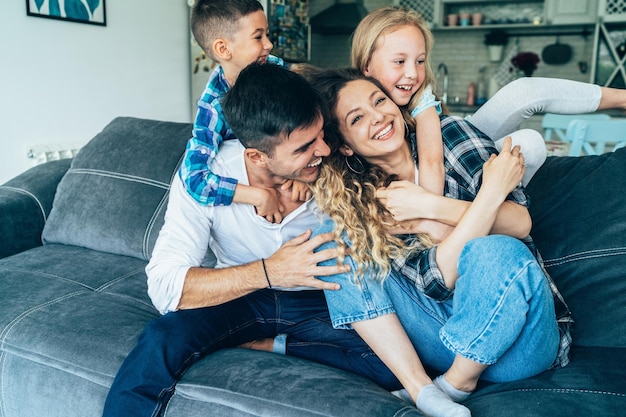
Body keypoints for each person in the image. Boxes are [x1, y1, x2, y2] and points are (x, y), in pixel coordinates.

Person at [101, 64, 400, 417]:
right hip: (241, 295)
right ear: (257, 156)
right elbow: (166, 286)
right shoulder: (207, 178)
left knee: (393, 363)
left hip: (319, 300)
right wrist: (269, 272)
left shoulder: (334, 162)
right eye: (305, 147)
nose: (322, 149)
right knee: (160, 341)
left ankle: (272, 345)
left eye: (322, 134)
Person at [306, 68, 574, 417]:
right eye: (358, 118)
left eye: (380, 101)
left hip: (521, 346)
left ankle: (455, 384)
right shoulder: (363, 197)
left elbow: (520, 224)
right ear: (344, 144)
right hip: (439, 334)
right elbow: (436, 280)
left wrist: (431, 209)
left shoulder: (452, 136)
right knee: (329, 237)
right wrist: (489, 195)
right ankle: (421, 388)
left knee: (499, 248)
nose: (379, 118)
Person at [351, 6, 626, 189]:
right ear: (366, 65)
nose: (412, 73)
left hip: (454, 156)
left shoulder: (421, 100)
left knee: (527, 124)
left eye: (420, 61)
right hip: (437, 186)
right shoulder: (348, 110)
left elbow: (435, 160)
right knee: (527, 141)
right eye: (399, 61)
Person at [181, 0, 310, 224]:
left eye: (267, 34)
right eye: (258, 37)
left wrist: (304, 172)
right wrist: (256, 196)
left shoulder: (281, 72)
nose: (269, 45)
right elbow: (195, 178)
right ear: (223, 49)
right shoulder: (212, 107)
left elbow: (315, 125)